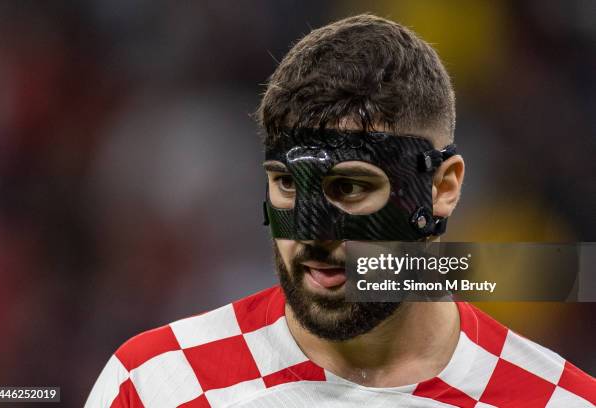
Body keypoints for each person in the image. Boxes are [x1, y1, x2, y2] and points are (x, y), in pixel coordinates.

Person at [85, 14, 594, 407]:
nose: (311, 234)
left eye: (349, 187)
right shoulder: (157, 385)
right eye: (287, 184)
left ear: (443, 188)